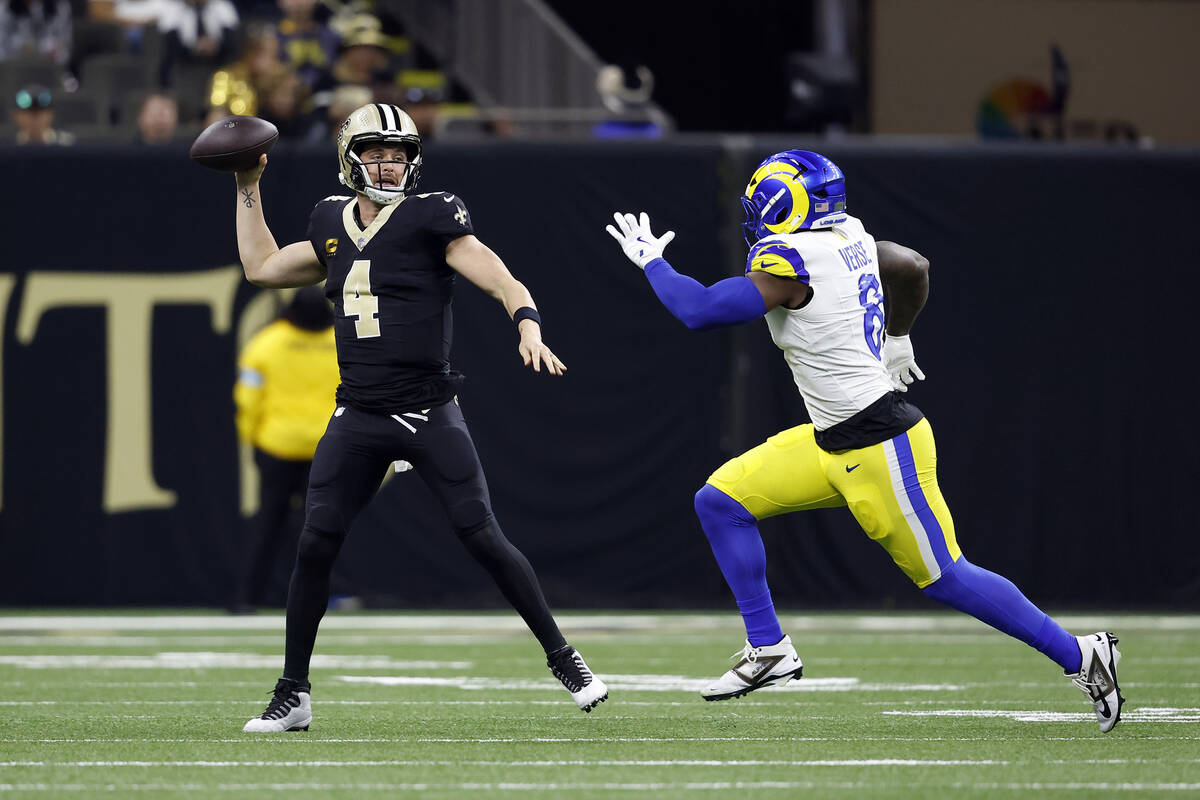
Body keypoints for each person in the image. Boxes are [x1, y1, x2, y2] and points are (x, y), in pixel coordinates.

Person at [605, 149, 1124, 733]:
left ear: (785, 205)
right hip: (832, 438)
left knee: (946, 576)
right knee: (721, 502)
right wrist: (898, 336)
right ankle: (770, 649)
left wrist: (652, 262)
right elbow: (912, 264)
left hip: (880, 445)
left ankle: (1083, 655)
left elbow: (699, 311)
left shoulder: (792, 256)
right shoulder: (847, 232)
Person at [233, 102, 608, 732]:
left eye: (400, 152)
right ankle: (292, 692)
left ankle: (563, 656)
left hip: (426, 410)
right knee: (316, 541)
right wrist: (247, 188)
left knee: (482, 536)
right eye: (378, 152)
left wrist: (527, 322)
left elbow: (501, 277)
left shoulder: (434, 215)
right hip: (356, 412)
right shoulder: (329, 220)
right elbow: (262, 268)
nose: (390, 163)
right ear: (351, 157)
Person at [232, 286, 340, 613]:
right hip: (326, 446)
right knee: (323, 525)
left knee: (268, 524)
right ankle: (326, 597)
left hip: (276, 446)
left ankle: (248, 599)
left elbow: (247, 400)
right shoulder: (340, 343)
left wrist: (252, 439)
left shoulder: (266, 344)